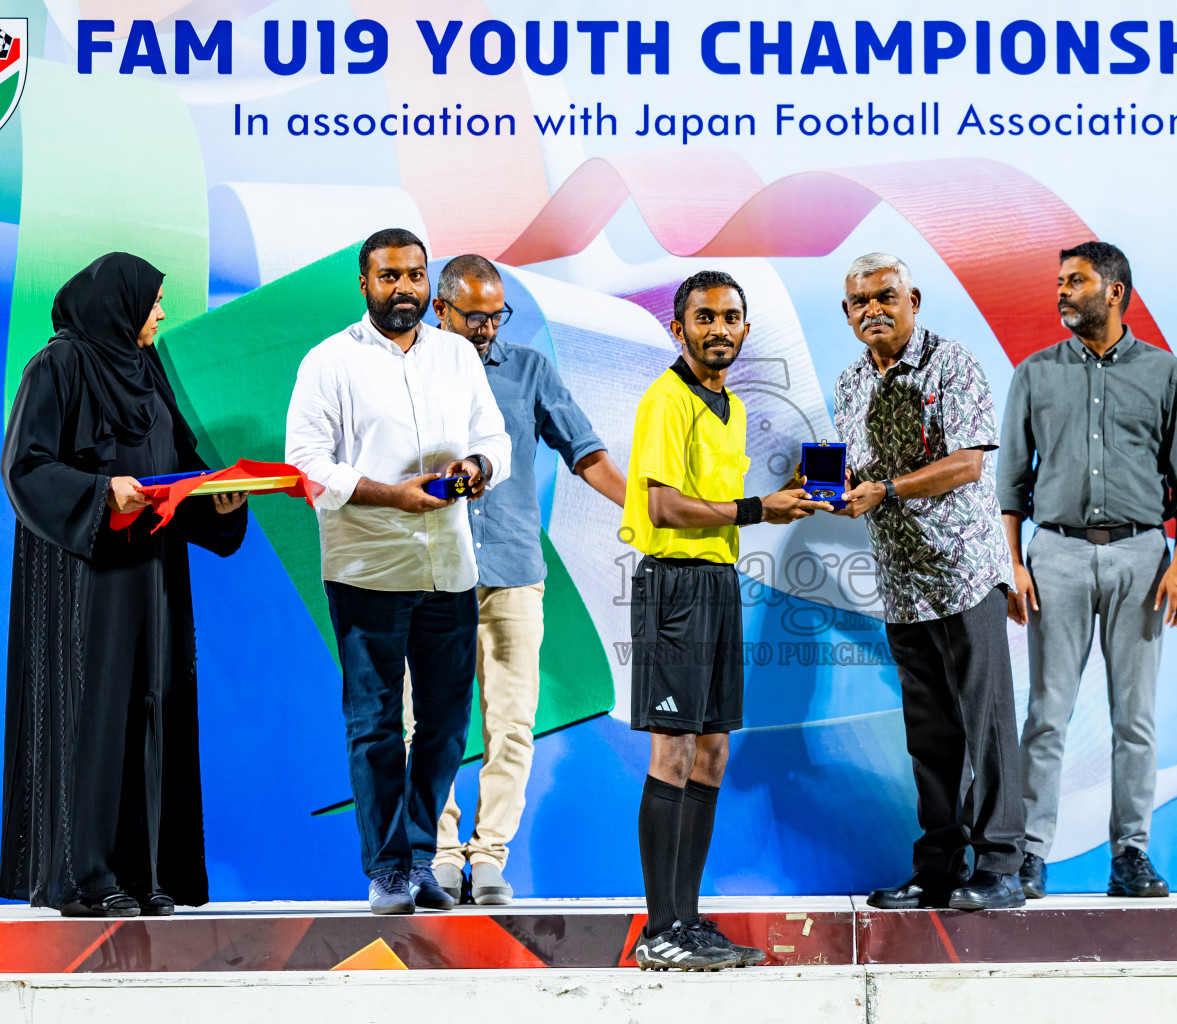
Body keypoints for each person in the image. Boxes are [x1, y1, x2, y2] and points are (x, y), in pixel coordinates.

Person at [1, 253, 248, 917]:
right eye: (153, 301)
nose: (162, 314)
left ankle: (144, 875)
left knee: (152, 706)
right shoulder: (57, 366)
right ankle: (84, 876)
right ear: (118, 303)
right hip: (89, 577)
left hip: (155, 571)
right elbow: (23, 467)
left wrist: (217, 501)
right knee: (94, 711)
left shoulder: (149, 371)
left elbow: (179, 467)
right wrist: (98, 493)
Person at [285, 229, 512, 915]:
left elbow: (492, 435)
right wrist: (394, 494)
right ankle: (386, 869)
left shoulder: (456, 356)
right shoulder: (328, 362)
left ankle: (419, 857)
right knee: (377, 724)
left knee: (445, 725)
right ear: (364, 283)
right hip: (366, 570)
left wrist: (477, 469)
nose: (404, 289)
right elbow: (306, 463)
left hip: (449, 566)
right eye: (390, 277)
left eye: (415, 276)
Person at [626, 270, 828, 970]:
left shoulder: (730, 407)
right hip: (674, 586)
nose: (719, 328)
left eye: (731, 317)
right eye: (704, 317)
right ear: (679, 327)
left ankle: (687, 921)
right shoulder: (667, 399)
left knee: (711, 754)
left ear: (745, 328)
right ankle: (659, 931)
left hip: (717, 582)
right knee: (672, 753)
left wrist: (778, 502)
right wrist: (755, 511)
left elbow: (719, 504)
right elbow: (662, 508)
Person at [411, 254, 626, 905]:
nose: (485, 329)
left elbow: (587, 453)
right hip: (429, 578)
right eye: (473, 316)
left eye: (496, 316)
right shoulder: (404, 374)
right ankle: (442, 853)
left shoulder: (530, 370)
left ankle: (491, 854)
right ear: (439, 309)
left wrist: (648, 511)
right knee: (426, 724)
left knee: (512, 722)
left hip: (512, 577)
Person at [997, 241, 1177, 899]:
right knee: (1047, 714)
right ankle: (1031, 855)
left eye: (1075, 281)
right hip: (1054, 555)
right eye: (1059, 281)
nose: (1061, 291)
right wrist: (1013, 563)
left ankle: (1132, 855)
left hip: (1143, 557)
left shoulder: (1166, 374)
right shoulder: (1034, 374)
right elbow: (1010, 483)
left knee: (1134, 718)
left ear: (1113, 291)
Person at [833, 253, 1028, 912]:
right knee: (930, 737)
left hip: (965, 572)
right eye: (860, 301)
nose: (873, 310)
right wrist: (820, 493)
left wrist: (883, 489)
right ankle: (938, 868)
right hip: (902, 585)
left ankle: (1002, 865)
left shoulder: (953, 364)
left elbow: (969, 464)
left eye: (885, 296)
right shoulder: (850, 384)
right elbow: (845, 473)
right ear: (847, 312)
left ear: (912, 297)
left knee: (988, 725)